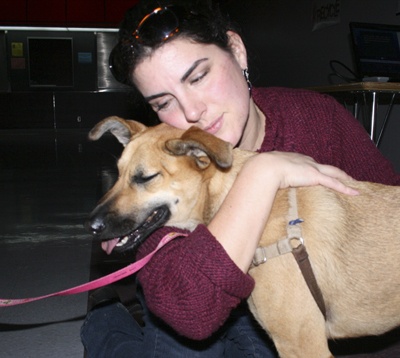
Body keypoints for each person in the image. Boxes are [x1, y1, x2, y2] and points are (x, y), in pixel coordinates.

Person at [80, 1, 400, 357]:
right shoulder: (166, 166)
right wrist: (263, 172)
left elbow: (386, 212)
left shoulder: (317, 119)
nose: (191, 112)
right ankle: (105, 317)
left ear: (236, 51)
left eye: (198, 77)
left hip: (267, 301)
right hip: (195, 295)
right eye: (162, 102)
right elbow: (191, 313)